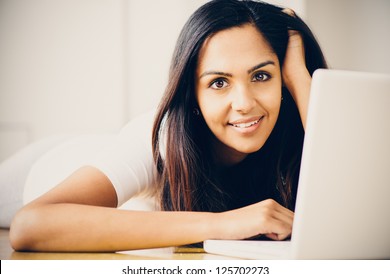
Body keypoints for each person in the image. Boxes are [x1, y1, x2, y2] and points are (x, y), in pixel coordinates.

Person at [9, 0, 327, 252]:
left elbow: (352, 196)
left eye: (261, 75)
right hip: (46, 167)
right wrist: (224, 224)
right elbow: (30, 225)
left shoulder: (295, 124)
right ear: (192, 94)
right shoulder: (157, 138)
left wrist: (300, 77)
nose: (244, 102)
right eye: (218, 82)